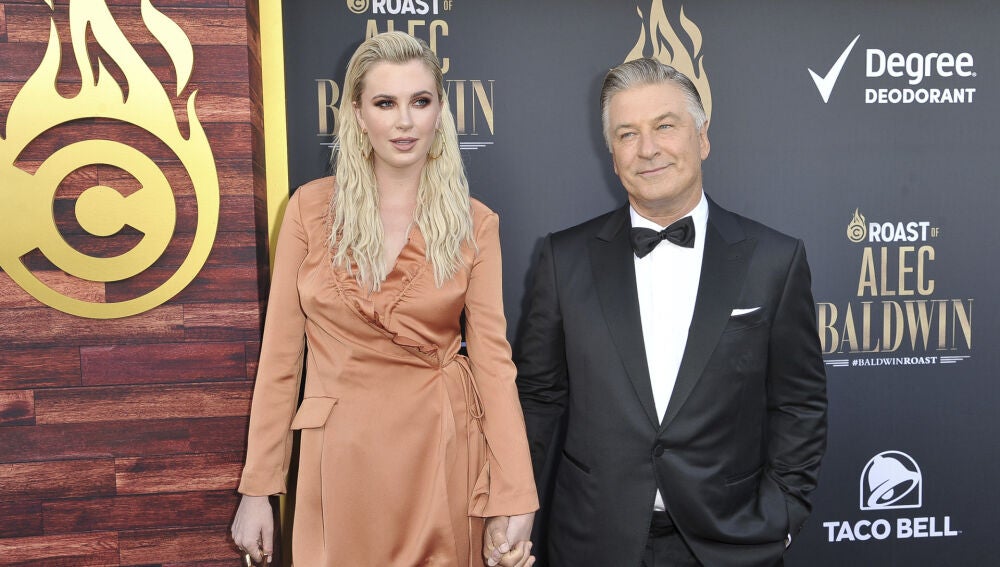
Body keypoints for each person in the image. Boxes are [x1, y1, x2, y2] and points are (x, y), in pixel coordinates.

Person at [231, 32, 537, 567]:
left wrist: (515, 494)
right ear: (357, 112)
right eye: (385, 103)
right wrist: (258, 489)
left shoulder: (475, 223)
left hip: (438, 452)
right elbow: (281, 359)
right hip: (339, 459)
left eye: (420, 101)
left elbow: (493, 364)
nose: (404, 121)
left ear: (440, 110)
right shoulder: (308, 210)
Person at [515, 58, 827, 567]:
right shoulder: (563, 259)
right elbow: (537, 399)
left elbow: (799, 403)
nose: (647, 149)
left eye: (665, 126)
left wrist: (782, 516)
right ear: (612, 155)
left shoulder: (775, 260)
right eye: (627, 134)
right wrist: (512, 508)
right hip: (592, 540)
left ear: (702, 138)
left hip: (730, 543)